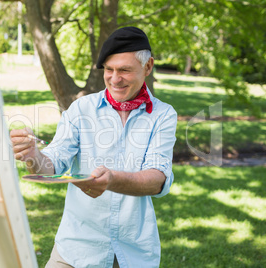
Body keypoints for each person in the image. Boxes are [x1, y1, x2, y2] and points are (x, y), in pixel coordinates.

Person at [10, 26, 177, 268]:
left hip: (133, 253)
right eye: (109, 70)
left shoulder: (163, 115)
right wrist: (34, 154)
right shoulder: (81, 109)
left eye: (124, 70)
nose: (114, 78)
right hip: (75, 250)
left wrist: (112, 179)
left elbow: (157, 180)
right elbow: (53, 164)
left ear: (148, 67)